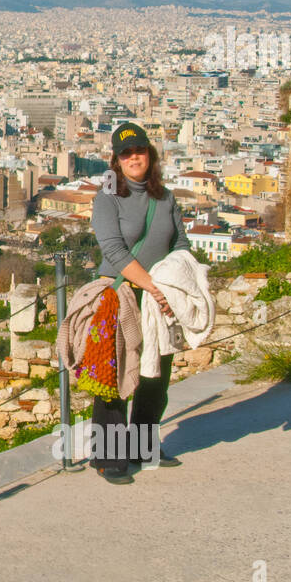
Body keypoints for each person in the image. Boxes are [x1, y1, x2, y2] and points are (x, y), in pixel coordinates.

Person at [88, 121, 192, 483]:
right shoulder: (108, 196)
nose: (134, 157)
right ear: (116, 160)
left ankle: (143, 446)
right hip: (119, 295)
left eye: (139, 151)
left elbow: (180, 244)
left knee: (155, 374)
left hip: (158, 297)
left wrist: (174, 284)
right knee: (113, 375)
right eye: (126, 153)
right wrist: (151, 284)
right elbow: (113, 249)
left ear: (150, 153)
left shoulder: (165, 198)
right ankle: (107, 457)